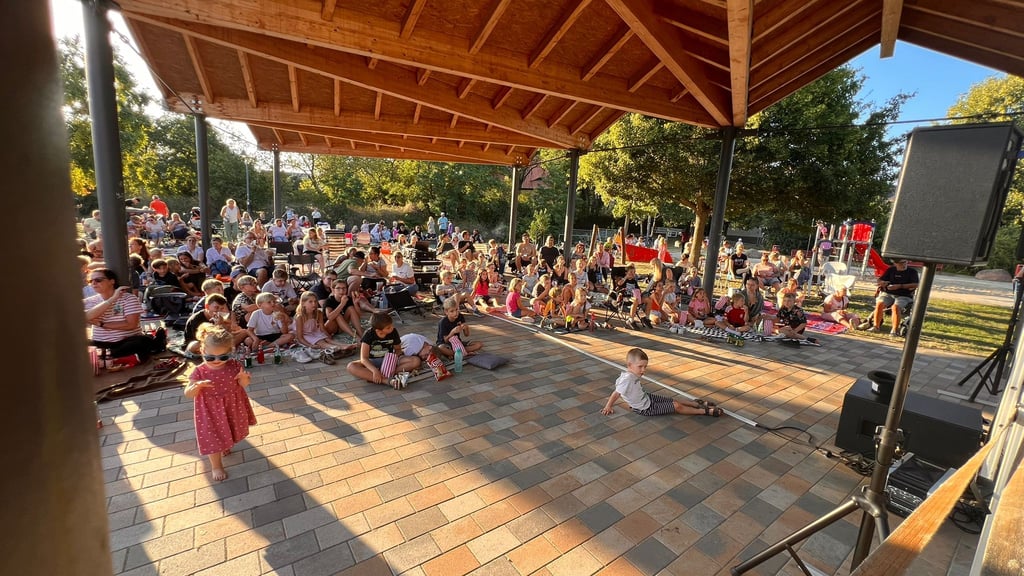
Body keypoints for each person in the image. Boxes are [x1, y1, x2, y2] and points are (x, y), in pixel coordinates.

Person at [185, 324, 256, 481]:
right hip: (210, 410)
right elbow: (188, 393)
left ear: (229, 353)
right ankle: (216, 466)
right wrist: (196, 386)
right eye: (211, 357)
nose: (217, 361)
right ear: (202, 352)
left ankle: (225, 443)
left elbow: (243, 385)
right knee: (212, 438)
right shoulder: (200, 371)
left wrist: (244, 379)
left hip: (231, 406)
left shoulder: (234, 366)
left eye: (223, 357)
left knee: (228, 429)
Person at [600, 348, 721, 417]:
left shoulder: (632, 374)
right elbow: (616, 393)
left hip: (646, 398)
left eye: (645, 366)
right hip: (645, 408)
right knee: (676, 406)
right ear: (630, 365)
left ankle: (695, 403)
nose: (643, 370)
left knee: (671, 400)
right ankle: (703, 411)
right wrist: (608, 406)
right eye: (640, 366)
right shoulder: (626, 379)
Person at [85, 268, 167, 359]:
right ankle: (109, 354)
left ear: (112, 281)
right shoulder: (89, 301)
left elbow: (131, 325)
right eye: (90, 281)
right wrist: (112, 299)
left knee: (141, 341)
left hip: (126, 341)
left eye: (98, 280)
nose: (94, 283)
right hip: (100, 342)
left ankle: (107, 355)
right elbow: (87, 316)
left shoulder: (129, 298)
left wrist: (101, 324)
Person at [346, 312, 421, 389]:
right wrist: (374, 370)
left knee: (416, 361)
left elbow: (398, 349)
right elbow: (364, 358)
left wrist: (392, 362)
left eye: (391, 325)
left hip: (390, 360)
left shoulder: (393, 332)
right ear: (378, 331)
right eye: (388, 328)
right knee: (351, 366)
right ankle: (386, 380)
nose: (391, 328)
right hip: (373, 361)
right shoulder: (369, 334)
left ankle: (384, 374)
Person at [293, 291, 354, 364]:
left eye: (315, 301)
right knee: (320, 342)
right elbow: (299, 337)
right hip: (305, 334)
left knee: (327, 339)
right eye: (310, 302)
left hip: (314, 331)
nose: (314, 304)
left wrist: (327, 336)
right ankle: (337, 348)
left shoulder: (318, 313)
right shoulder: (300, 317)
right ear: (303, 303)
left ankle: (343, 345)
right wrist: (310, 345)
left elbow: (322, 328)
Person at [183, 294, 250, 354]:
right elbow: (207, 340)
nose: (219, 311)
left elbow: (227, 333)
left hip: (216, 342)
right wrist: (218, 326)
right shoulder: (197, 320)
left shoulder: (219, 317)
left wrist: (224, 325)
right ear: (207, 307)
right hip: (199, 344)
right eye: (216, 308)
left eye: (222, 308)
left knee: (244, 332)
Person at [868, 259, 918, 334]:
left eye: (905, 262)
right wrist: (883, 283)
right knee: (880, 304)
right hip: (888, 293)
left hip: (904, 295)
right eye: (901, 263)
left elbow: (916, 284)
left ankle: (894, 330)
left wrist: (900, 286)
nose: (903, 265)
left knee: (895, 307)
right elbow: (879, 280)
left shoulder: (912, 272)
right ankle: (876, 326)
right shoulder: (891, 270)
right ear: (895, 263)